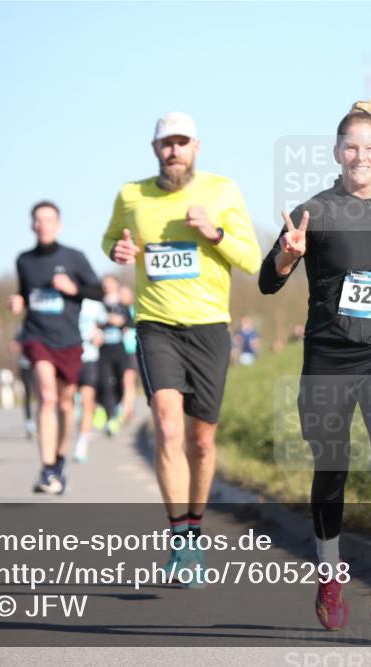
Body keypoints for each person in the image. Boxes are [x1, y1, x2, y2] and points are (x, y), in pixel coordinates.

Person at [259, 102, 371, 638]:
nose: (361, 156)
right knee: (332, 469)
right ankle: (331, 576)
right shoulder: (316, 211)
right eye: (351, 148)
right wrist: (290, 256)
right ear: (338, 153)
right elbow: (269, 281)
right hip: (329, 358)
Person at [102, 111, 262, 586]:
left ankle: (195, 526)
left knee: (202, 439)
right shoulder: (131, 194)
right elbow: (112, 237)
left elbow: (252, 259)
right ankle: (180, 540)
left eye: (182, 142)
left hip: (211, 327)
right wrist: (117, 252)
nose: (174, 150)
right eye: (165, 143)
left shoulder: (223, 191)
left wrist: (214, 232)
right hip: (156, 326)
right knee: (169, 428)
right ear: (155, 149)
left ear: (196, 147)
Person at [9, 200, 104, 494]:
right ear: (32, 225)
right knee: (47, 396)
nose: (43, 225)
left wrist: (73, 289)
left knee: (65, 403)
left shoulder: (74, 258)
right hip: (37, 336)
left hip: (69, 340)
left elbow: (98, 291)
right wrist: (18, 301)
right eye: (38, 220)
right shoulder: (24, 260)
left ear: (58, 225)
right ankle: (47, 466)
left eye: (49, 219)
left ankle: (60, 461)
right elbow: (25, 294)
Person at [98, 275, 135, 436]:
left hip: (120, 349)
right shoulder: (98, 304)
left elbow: (131, 323)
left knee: (121, 382)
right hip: (103, 350)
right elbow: (91, 322)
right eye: (105, 284)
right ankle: (110, 417)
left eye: (110, 284)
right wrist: (105, 321)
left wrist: (121, 322)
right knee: (106, 384)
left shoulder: (122, 305)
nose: (107, 286)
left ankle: (119, 407)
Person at [74, 296, 107, 463]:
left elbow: (102, 325)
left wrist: (99, 333)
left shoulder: (95, 304)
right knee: (68, 401)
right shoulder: (69, 299)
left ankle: (82, 444)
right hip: (69, 357)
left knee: (87, 400)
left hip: (90, 357)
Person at [118, 285, 139, 424]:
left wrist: (124, 324)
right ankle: (128, 409)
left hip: (134, 350)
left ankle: (126, 410)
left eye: (124, 293)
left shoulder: (135, 309)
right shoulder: (119, 309)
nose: (121, 296)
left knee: (128, 381)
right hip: (123, 350)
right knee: (126, 382)